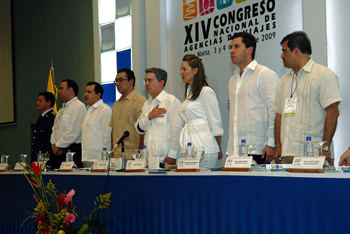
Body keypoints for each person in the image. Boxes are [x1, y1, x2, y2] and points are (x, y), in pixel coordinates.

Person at [273, 31, 342, 165]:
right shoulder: (283, 81)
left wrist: (325, 147)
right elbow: (279, 115)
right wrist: (278, 147)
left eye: (284, 51)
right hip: (287, 154)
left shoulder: (324, 75)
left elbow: (333, 112)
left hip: (314, 155)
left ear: (296, 51)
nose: (282, 56)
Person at [226, 32, 278, 164]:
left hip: (257, 150)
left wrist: (272, 144)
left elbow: (275, 112)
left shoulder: (264, 74)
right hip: (234, 152)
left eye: (236, 47)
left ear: (250, 50)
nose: (231, 51)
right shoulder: (233, 79)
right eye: (231, 47)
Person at [179, 54, 223, 168]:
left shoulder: (206, 91)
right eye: (180, 69)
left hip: (204, 146)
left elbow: (215, 122)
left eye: (184, 69)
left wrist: (218, 147)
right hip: (188, 144)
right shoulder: (188, 93)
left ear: (195, 70)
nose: (181, 72)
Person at [135, 67, 182, 166]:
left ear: (161, 83)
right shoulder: (146, 104)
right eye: (146, 80)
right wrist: (149, 117)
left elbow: (177, 130)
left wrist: (172, 155)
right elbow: (139, 129)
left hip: (166, 160)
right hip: (149, 161)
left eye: (150, 80)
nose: (146, 84)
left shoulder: (171, 101)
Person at [109, 68, 147, 163]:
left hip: (132, 156)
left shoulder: (140, 101)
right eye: (116, 81)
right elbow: (113, 130)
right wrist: (113, 152)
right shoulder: (116, 104)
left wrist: (139, 154)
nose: (117, 83)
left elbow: (143, 130)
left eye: (121, 80)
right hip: (116, 156)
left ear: (131, 82)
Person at [49, 79, 87, 168]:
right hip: (59, 151)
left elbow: (73, 131)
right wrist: (54, 145)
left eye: (61, 88)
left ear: (71, 90)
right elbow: (54, 129)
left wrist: (58, 145)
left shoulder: (79, 106)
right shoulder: (61, 110)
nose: (58, 91)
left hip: (73, 151)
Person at [81, 82, 112, 162]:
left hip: (99, 160)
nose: (85, 94)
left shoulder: (104, 110)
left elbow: (107, 137)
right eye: (85, 91)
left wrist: (105, 160)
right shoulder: (88, 111)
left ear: (98, 95)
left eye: (89, 92)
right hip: (87, 159)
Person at [31, 92, 56, 162]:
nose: (37, 102)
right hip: (38, 159)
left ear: (48, 103)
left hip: (46, 160)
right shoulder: (42, 117)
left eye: (40, 101)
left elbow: (50, 140)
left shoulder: (51, 118)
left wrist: (48, 161)